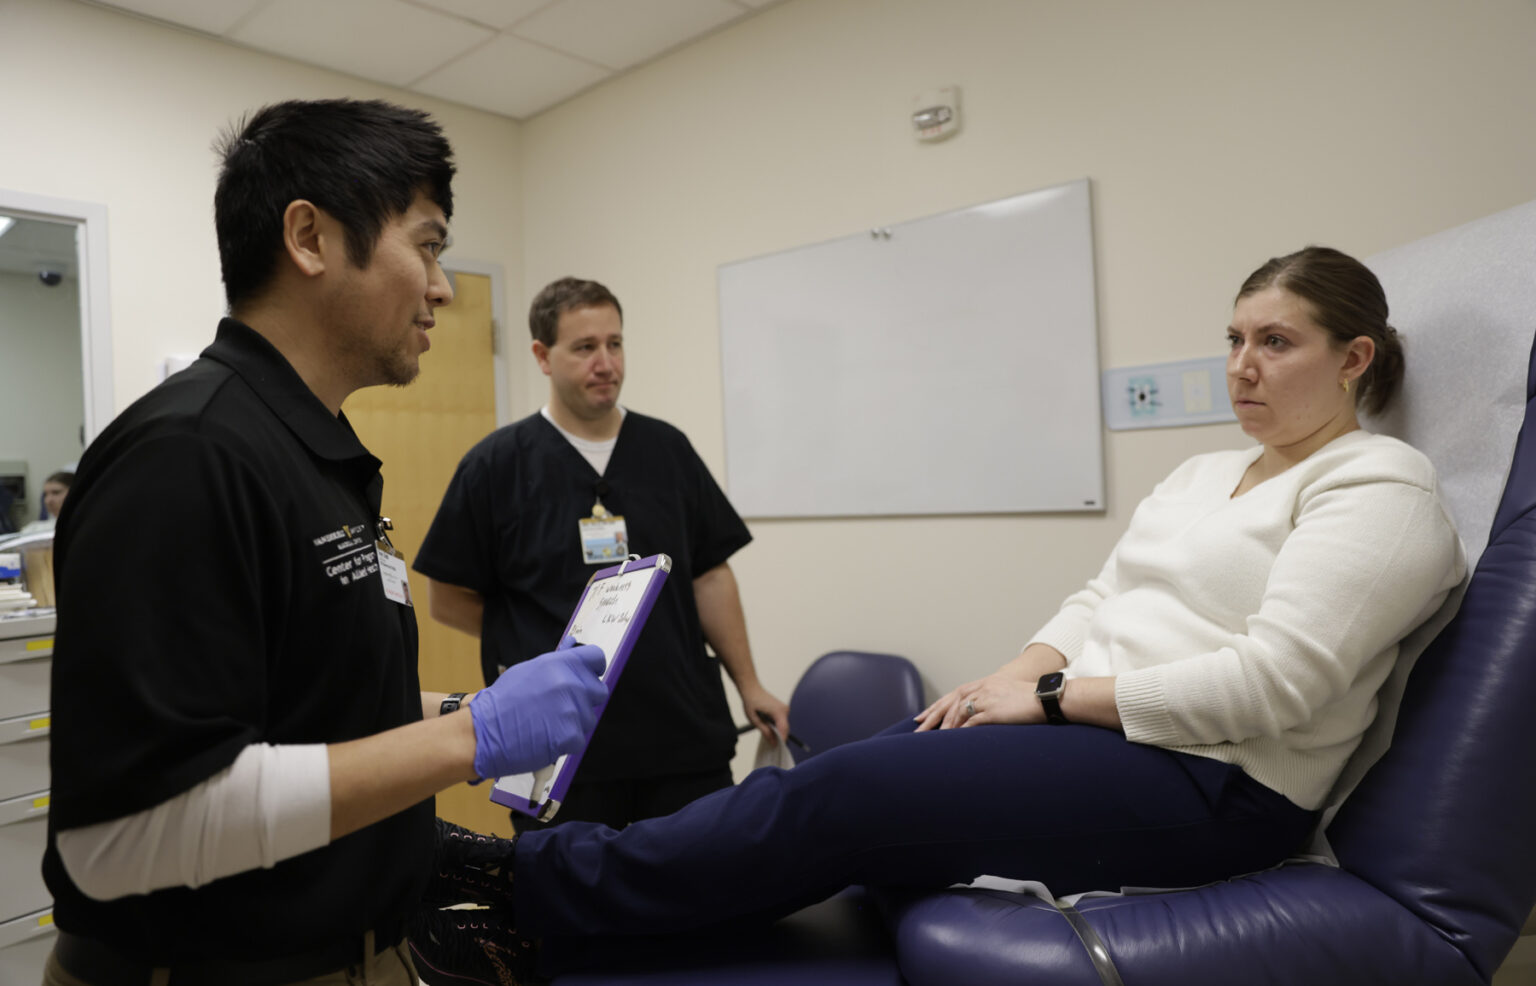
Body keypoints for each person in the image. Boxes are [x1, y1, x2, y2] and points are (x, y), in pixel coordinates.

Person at [409, 246, 1467, 984]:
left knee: (855, 786)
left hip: (1222, 778)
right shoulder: (1204, 474)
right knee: (862, 773)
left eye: (1276, 342)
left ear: (1355, 357)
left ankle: (524, 881)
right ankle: (570, 940)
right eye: (1235, 338)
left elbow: (1280, 684)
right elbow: (1099, 596)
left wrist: (1047, 700)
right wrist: (1008, 677)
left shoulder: (1378, 486)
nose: (1242, 365)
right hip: (1115, 731)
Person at [41, 98, 612, 986]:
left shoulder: (312, 452)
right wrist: (475, 741)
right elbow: (118, 842)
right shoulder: (187, 457)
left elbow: (311, 709)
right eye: (425, 245)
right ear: (309, 237)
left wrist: (462, 710)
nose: (442, 287)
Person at [414, 277, 789, 832]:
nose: (606, 362)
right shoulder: (496, 466)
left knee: (702, 897)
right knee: (575, 906)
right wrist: (537, 642)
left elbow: (710, 575)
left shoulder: (668, 450)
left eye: (614, 344)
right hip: (562, 750)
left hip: (679, 738)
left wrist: (750, 684)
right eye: (585, 347)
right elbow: (446, 599)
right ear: (542, 356)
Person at [20, 470, 72, 534]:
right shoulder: (33, 529)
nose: (48, 501)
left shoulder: (84, 528)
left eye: (56, 492)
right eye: (45, 495)